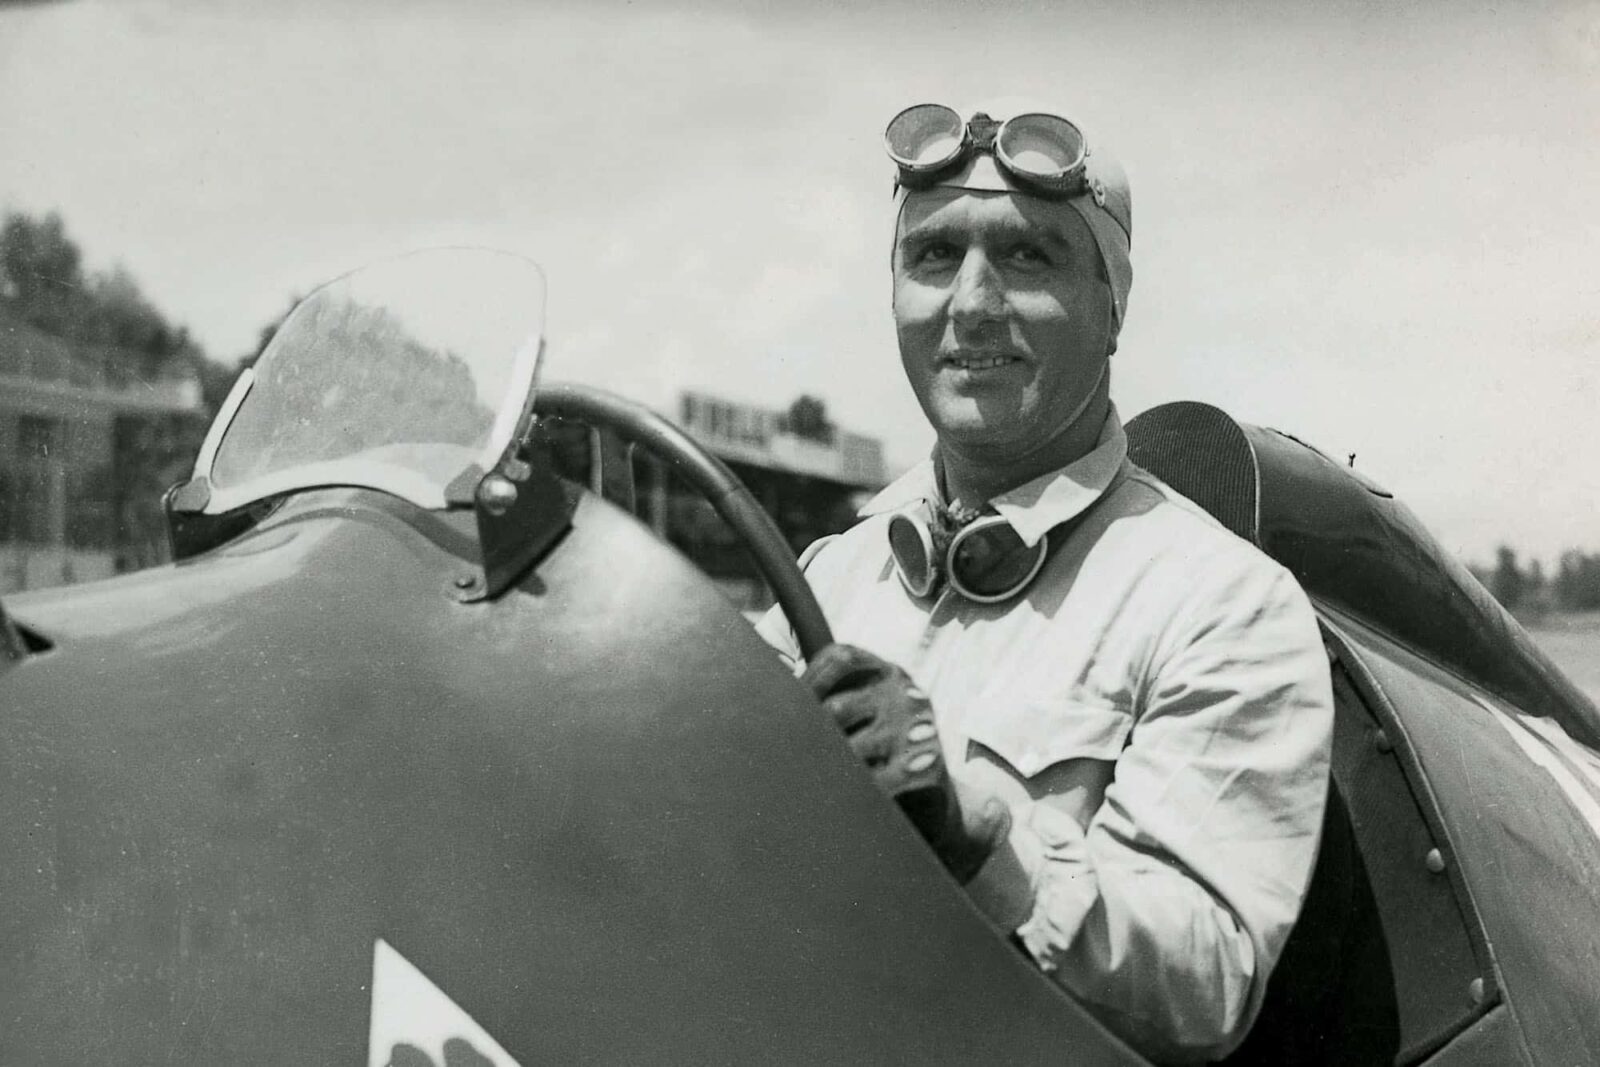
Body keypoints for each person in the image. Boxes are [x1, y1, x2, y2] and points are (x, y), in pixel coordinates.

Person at [756, 101, 1333, 1064]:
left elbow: (1207, 981)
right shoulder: (827, 576)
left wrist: (975, 828)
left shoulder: (1225, 603)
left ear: (1113, 308)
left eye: (1028, 258)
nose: (971, 304)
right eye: (934, 257)